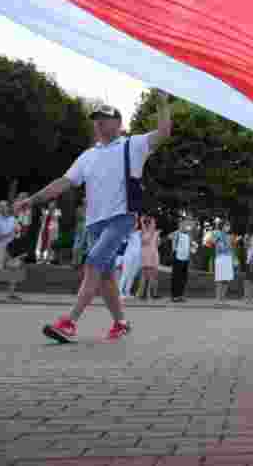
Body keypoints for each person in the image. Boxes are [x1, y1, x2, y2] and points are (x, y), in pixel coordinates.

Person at [22, 95, 172, 343]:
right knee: (105, 276)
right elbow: (63, 183)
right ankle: (121, 323)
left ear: (118, 123)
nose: (99, 123)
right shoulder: (87, 156)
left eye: (105, 119)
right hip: (95, 223)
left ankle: (69, 322)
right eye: (96, 120)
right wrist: (33, 200)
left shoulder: (132, 145)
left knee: (93, 263)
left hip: (121, 218)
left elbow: (164, 131)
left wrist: (163, 103)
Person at [0, 199, 26, 302]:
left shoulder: (14, 219)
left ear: (8, 208)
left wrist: (17, 233)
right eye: (0, 206)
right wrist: (7, 234)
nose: (2, 208)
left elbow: (18, 232)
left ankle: (11, 294)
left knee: (14, 269)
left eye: (4, 206)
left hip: (11, 248)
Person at [170, 217, 194, 303]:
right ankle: (175, 296)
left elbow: (191, 245)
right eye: (184, 225)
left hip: (186, 258)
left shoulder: (188, 235)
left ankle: (181, 295)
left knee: (184, 278)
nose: (186, 226)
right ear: (180, 225)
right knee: (176, 277)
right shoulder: (177, 233)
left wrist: (192, 248)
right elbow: (170, 237)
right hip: (178, 257)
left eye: (187, 225)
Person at [119, 218, 144, 299]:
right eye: (134, 224)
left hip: (137, 257)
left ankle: (127, 291)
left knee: (132, 275)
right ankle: (119, 292)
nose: (135, 225)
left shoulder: (139, 233)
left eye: (136, 224)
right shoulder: (128, 232)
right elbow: (123, 240)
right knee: (125, 273)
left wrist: (141, 222)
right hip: (129, 256)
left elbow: (145, 232)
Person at [139, 215, 160, 300]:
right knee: (148, 275)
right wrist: (142, 222)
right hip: (148, 255)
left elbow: (157, 244)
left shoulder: (155, 233)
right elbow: (146, 241)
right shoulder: (144, 233)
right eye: (151, 223)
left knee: (151, 275)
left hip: (151, 254)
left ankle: (149, 294)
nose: (153, 224)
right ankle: (146, 294)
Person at [212, 221, 234, 306]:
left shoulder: (229, 236)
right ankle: (217, 299)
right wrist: (218, 238)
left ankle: (223, 299)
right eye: (226, 225)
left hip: (228, 258)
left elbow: (230, 248)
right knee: (219, 280)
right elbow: (213, 242)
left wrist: (232, 259)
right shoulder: (217, 233)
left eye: (228, 226)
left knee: (226, 280)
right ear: (222, 226)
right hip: (220, 258)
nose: (228, 227)